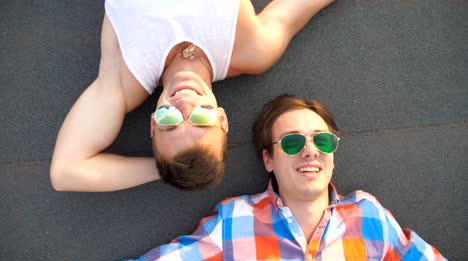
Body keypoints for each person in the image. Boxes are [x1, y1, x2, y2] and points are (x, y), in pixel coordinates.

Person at [116, 94, 448, 261]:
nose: (310, 151)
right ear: (268, 159)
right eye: (291, 142)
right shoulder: (236, 221)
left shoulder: (369, 215)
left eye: (321, 140)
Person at [50, 0, 336, 191]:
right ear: (222, 118)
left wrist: (169, 170)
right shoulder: (252, 49)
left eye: (169, 119)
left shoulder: (122, 78)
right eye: (201, 118)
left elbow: (66, 171)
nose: (184, 103)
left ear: (152, 123)